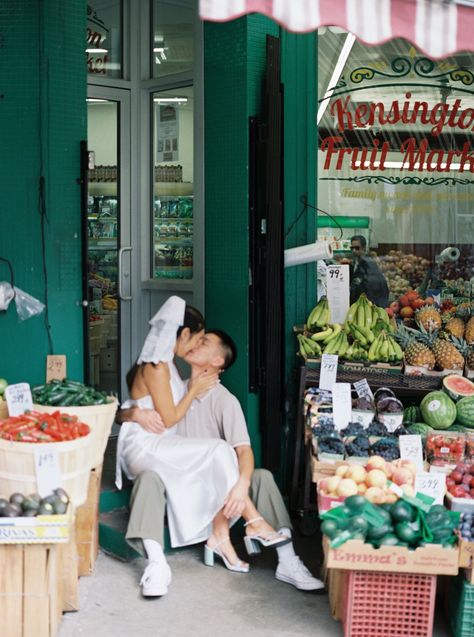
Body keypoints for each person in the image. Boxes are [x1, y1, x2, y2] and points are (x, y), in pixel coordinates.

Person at [121, 329, 325, 593]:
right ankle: (156, 564)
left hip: (219, 498)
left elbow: (244, 452)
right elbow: (128, 410)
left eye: (203, 342)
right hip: (180, 487)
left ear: (217, 362)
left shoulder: (224, 400)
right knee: (149, 477)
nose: (194, 344)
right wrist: (132, 414)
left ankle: (287, 559)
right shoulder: (174, 390)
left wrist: (241, 487)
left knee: (260, 477)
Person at [349, 235, 389, 307]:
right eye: (352, 248)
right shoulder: (354, 263)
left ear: (364, 248)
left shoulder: (369, 264)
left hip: (367, 305)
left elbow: (373, 286)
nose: (354, 251)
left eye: (357, 248)